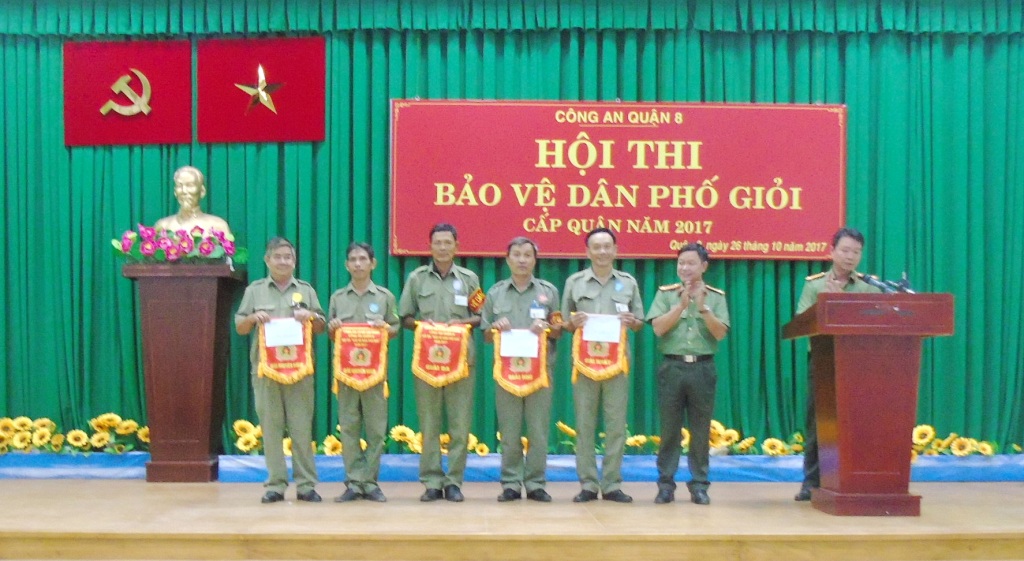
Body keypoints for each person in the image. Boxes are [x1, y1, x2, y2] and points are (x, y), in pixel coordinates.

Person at [235, 237, 325, 503]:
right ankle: (275, 484)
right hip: (266, 372)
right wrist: (253, 318)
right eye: (278, 256)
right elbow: (240, 326)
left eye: (288, 257)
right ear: (267, 260)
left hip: (300, 372)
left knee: (301, 429)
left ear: (294, 261)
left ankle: (306, 485)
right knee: (271, 429)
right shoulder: (255, 291)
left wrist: (310, 316)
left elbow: (321, 327)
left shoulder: (306, 290)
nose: (283, 261)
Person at [793, 227, 881, 502]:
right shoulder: (815, 285)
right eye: (845, 250)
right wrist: (828, 303)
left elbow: (876, 322)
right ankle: (812, 482)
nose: (850, 256)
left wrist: (845, 303)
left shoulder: (869, 287)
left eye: (856, 252)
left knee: (858, 422)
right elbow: (801, 323)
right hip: (823, 363)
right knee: (818, 425)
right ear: (831, 252)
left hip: (859, 365)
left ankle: (856, 479)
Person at [398, 223, 483, 502]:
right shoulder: (417, 279)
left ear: (457, 246)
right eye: (438, 243)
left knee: (459, 424)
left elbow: (481, 316)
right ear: (430, 246)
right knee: (430, 423)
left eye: (448, 243)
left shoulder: (469, 279)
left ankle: (454, 481)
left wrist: (462, 323)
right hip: (428, 361)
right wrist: (423, 326)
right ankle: (432, 482)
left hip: (462, 361)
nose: (443, 248)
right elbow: (405, 317)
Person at [561, 227, 644, 503]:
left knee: (616, 425)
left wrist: (633, 322)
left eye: (607, 246)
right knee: (584, 425)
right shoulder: (574, 282)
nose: (602, 252)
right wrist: (572, 322)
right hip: (584, 364)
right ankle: (587, 483)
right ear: (587, 251)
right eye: (596, 247)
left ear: (616, 250)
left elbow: (640, 322)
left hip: (617, 365)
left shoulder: (628, 283)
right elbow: (562, 322)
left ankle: (611, 484)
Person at [647, 243, 729, 505]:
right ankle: (665, 485)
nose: (685, 268)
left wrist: (703, 308)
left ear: (704, 266)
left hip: (703, 368)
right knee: (669, 429)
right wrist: (680, 307)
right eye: (681, 262)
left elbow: (720, 333)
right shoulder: (666, 294)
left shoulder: (716, 297)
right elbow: (658, 329)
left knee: (701, 430)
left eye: (691, 263)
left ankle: (699, 485)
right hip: (672, 367)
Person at [481, 237, 562, 503]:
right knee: (510, 431)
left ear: (535, 260)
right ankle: (511, 483)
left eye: (527, 255)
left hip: (540, 372)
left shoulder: (549, 292)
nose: (522, 260)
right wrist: (496, 328)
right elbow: (485, 334)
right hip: (507, 373)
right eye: (516, 254)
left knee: (538, 431)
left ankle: (536, 483)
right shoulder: (495, 293)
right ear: (508, 259)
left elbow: (559, 329)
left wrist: (546, 327)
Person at [327, 242, 400, 503]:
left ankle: (370, 482)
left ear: (373, 264)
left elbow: (395, 327)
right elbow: (331, 332)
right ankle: (353, 482)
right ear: (347, 265)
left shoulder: (385, 297)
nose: (358, 264)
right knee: (348, 428)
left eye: (362, 259)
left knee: (376, 430)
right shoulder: (337, 297)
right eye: (353, 260)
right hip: (346, 374)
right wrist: (333, 327)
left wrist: (385, 328)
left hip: (375, 375)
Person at [154, 166, 232, 236]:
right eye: (179, 186)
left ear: (202, 191)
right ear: (175, 192)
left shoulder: (218, 226)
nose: (184, 191)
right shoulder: (163, 226)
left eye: (190, 185)